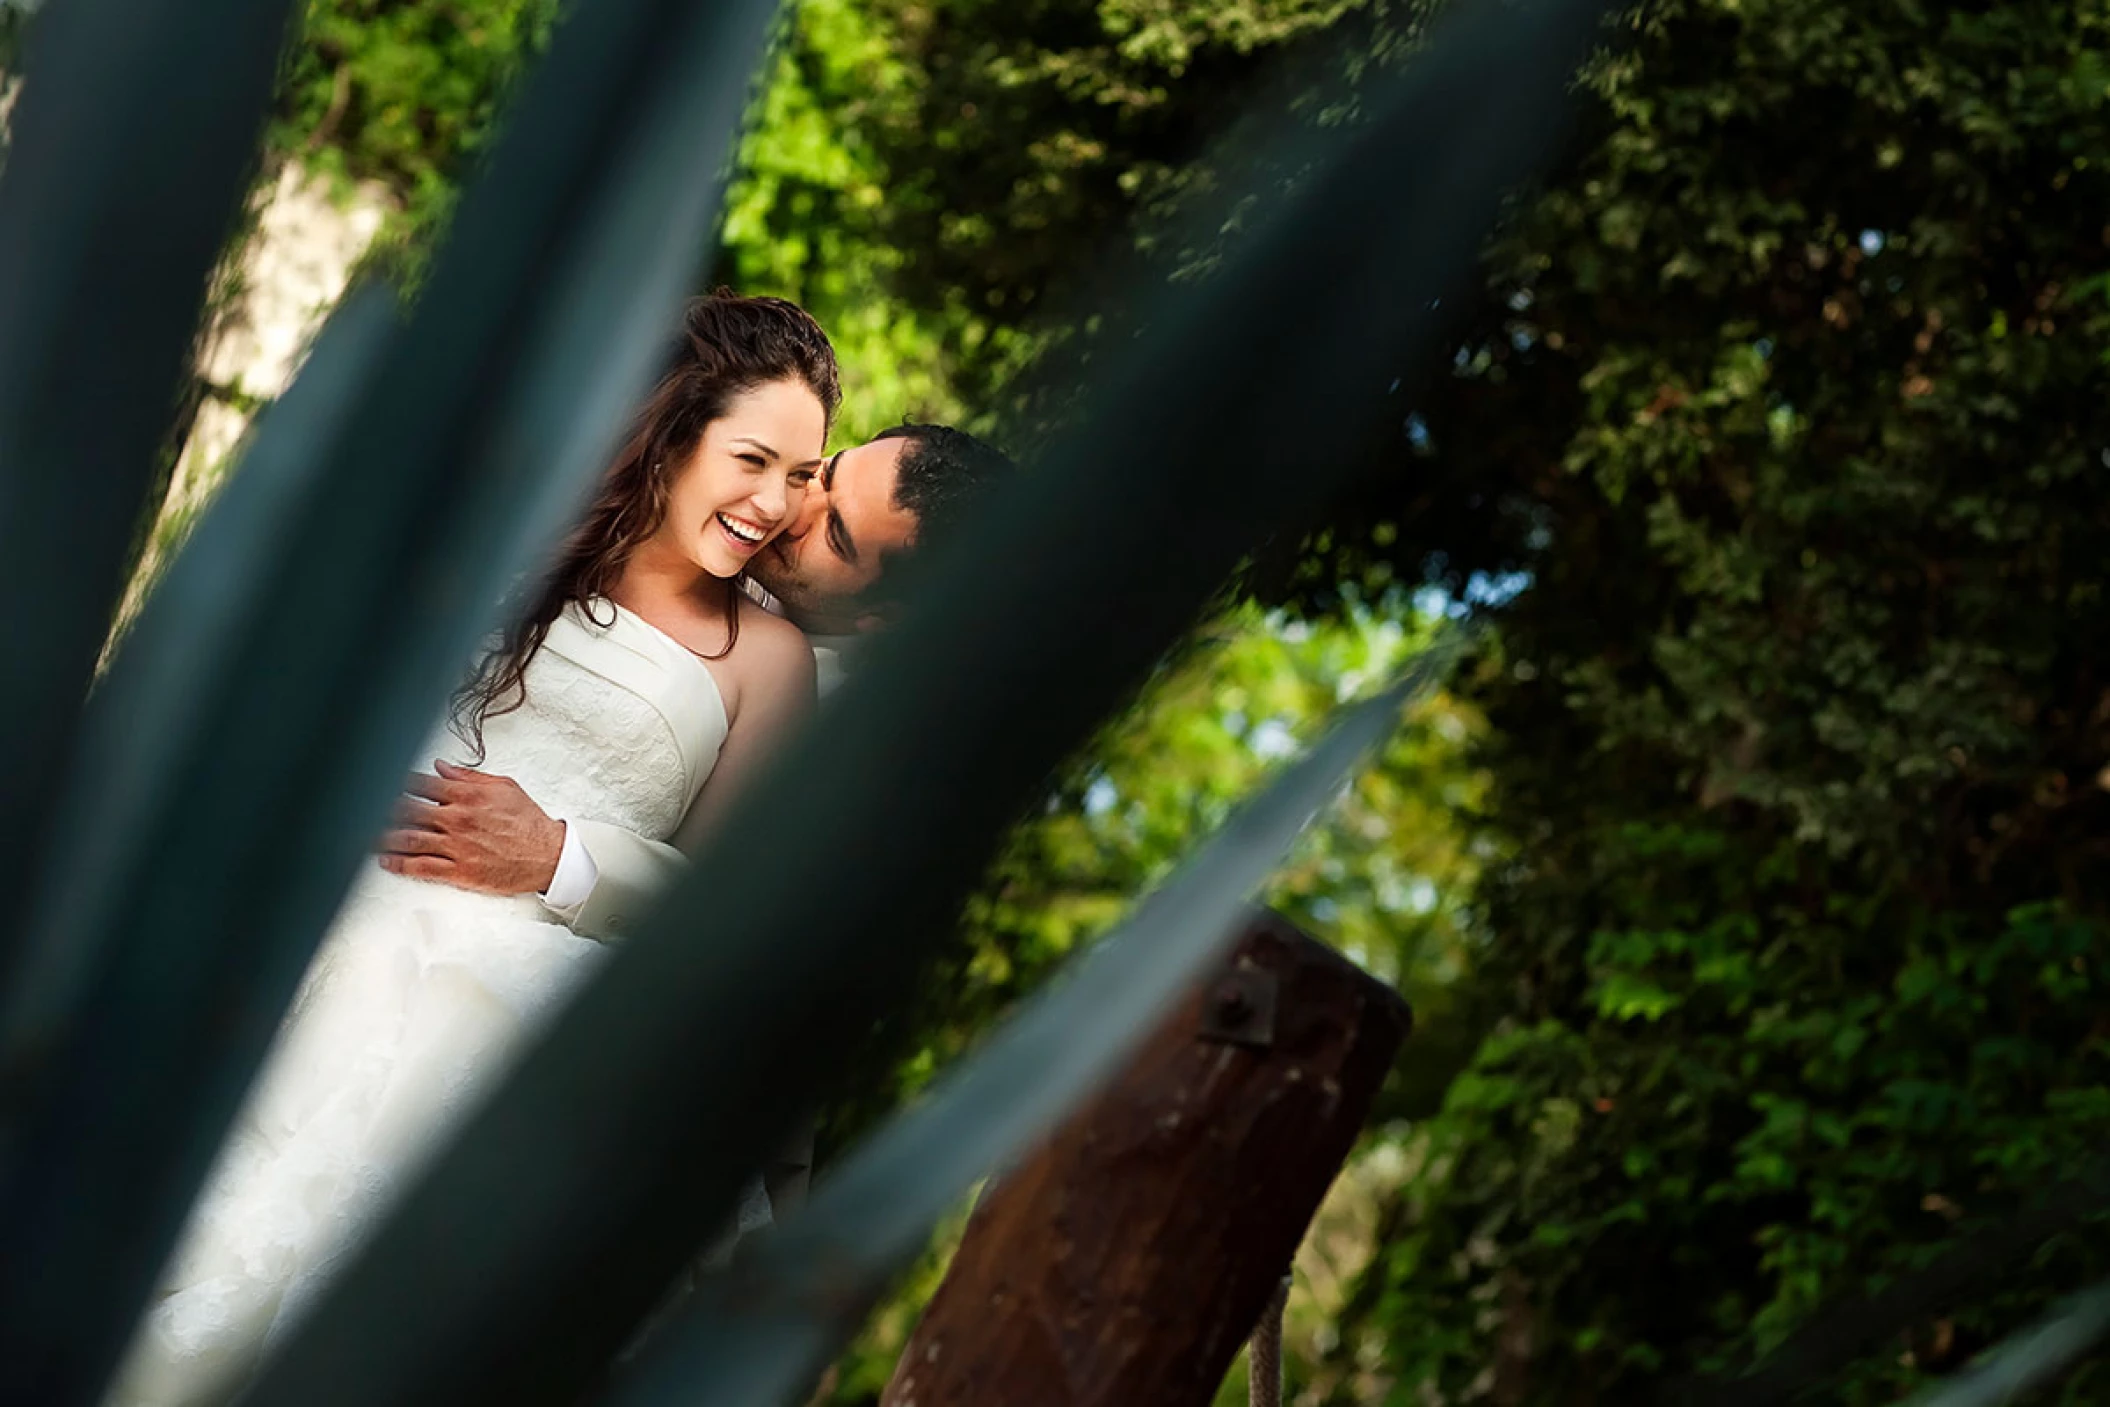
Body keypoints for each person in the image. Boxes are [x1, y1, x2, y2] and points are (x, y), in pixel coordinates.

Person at [106, 290, 841, 1407]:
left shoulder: (763, 658)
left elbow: (725, 904)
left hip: (508, 1010)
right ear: (678, 428)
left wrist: (555, 854)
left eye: (800, 477)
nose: (773, 503)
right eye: (754, 458)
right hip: (314, 925)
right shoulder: (509, 534)